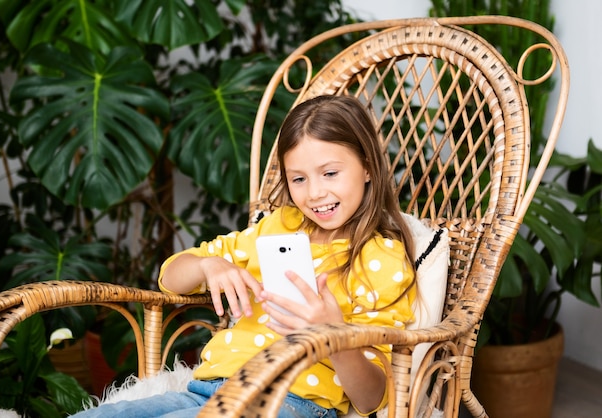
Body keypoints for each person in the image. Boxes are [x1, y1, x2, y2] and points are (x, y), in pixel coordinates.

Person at [73, 95, 417, 418]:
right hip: (205, 390)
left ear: (368, 167)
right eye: (298, 179)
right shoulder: (277, 227)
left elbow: (372, 397)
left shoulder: (382, 260)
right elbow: (169, 278)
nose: (315, 193)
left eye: (330, 173)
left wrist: (334, 334)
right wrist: (209, 265)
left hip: (288, 404)